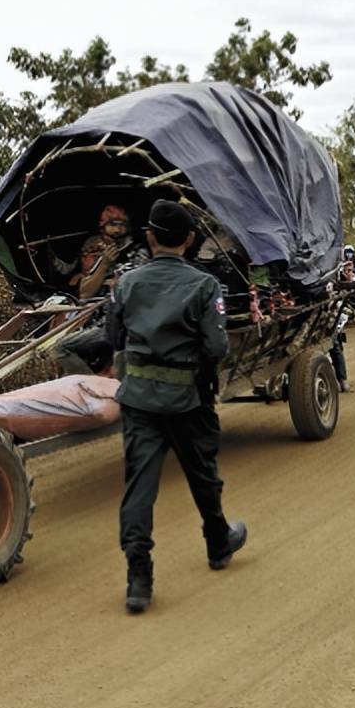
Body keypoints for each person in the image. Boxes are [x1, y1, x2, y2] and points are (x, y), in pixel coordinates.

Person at [107, 200, 247, 613]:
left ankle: (139, 579)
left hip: (138, 401)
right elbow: (217, 346)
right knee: (203, 474)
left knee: (139, 488)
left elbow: (113, 338)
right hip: (188, 400)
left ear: (149, 238)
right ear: (188, 240)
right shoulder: (204, 286)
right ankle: (218, 543)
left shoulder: (126, 284)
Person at [51, 205, 143, 375]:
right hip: (97, 316)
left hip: (129, 317)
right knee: (62, 347)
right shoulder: (95, 246)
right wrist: (104, 263)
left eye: (122, 225)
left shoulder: (138, 250)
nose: (118, 229)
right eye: (113, 224)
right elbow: (85, 292)